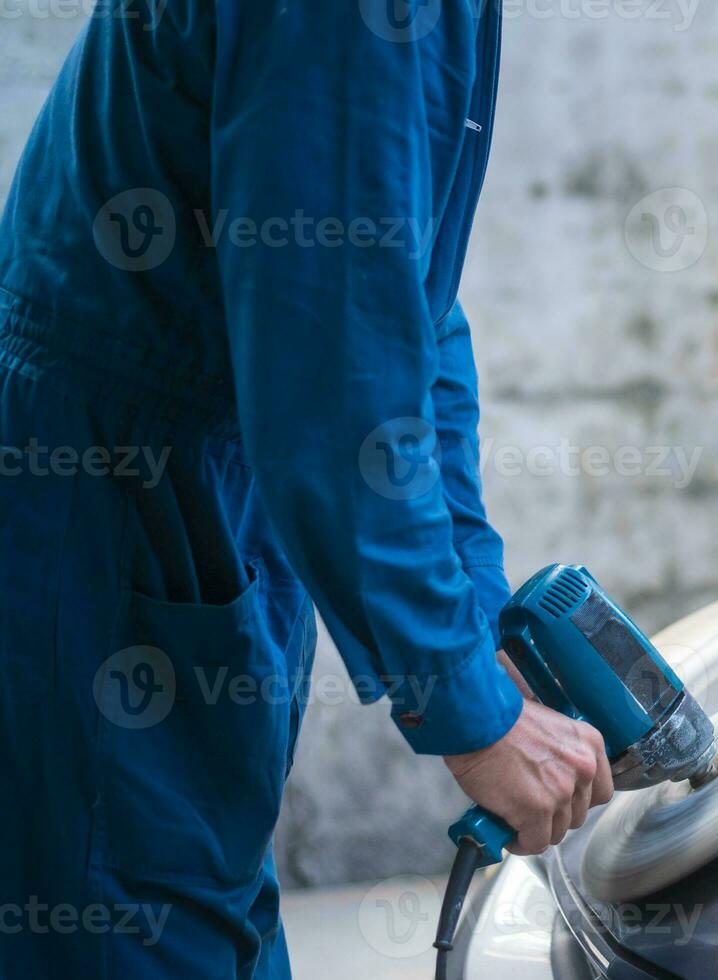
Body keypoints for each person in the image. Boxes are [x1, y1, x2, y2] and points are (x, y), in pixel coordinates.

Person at [0, 1, 610, 975]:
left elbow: (406, 304)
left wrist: (477, 608)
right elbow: (336, 375)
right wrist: (468, 706)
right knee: (130, 918)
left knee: (204, 896)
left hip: (203, 475)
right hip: (111, 498)